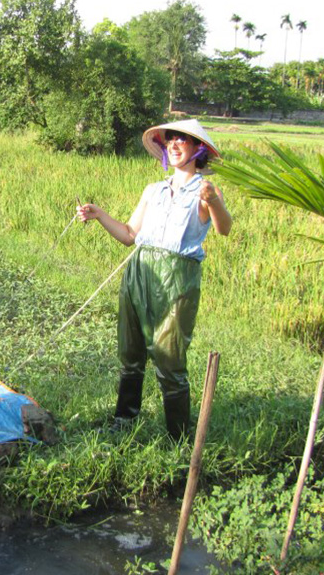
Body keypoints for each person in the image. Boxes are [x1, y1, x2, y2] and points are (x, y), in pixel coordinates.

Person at [76, 119, 232, 440]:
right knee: (131, 352)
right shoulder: (154, 190)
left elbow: (224, 228)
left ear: (197, 149)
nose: (174, 144)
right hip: (140, 271)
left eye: (182, 140)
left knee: (169, 355)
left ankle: (178, 437)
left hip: (178, 276)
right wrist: (99, 214)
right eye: (170, 139)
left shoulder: (205, 191)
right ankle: (124, 422)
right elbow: (130, 234)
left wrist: (213, 200)